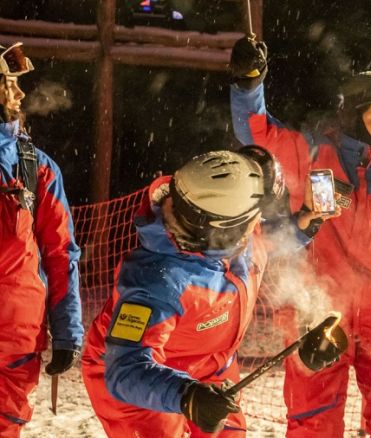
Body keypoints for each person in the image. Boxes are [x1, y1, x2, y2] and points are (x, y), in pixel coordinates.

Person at [229, 38, 371, 437]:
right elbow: (258, 133)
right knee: (313, 419)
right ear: (356, 118)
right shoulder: (314, 154)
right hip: (315, 310)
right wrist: (249, 83)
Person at [81, 148, 321, 437]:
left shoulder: (221, 226)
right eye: (253, 218)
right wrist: (186, 394)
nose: (257, 224)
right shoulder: (158, 282)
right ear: (225, 228)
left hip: (211, 366)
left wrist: (302, 225)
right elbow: (124, 370)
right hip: (146, 378)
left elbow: (266, 239)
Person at [0, 42, 83, 435]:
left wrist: (67, 330)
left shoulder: (35, 166)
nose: (18, 94)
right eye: (7, 84)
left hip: (17, 344)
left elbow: (60, 251)